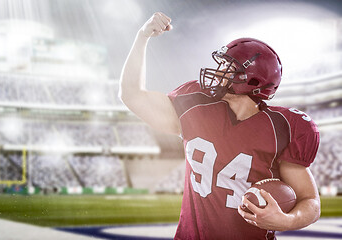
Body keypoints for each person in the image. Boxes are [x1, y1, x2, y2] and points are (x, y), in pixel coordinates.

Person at [119, 12, 320, 240]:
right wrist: (142, 36)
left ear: (252, 80)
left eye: (228, 67)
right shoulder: (194, 104)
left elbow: (310, 201)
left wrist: (287, 220)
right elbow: (131, 95)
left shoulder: (283, 128)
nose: (219, 72)